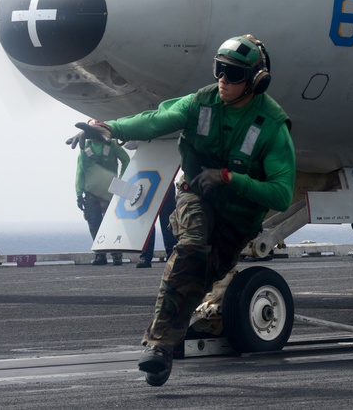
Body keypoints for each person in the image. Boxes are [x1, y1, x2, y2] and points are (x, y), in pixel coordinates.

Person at [66, 34, 295, 387]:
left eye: (233, 74)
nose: (222, 79)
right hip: (195, 196)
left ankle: (166, 341)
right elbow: (155, 121)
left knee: (200, 278)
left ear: (255, 81)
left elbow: (281, 194)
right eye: (219, 70)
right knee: (189, 249)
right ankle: (158, 348)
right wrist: (110, 128)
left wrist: (230, 178)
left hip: (238, 219)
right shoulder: (200, 103)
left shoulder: (272, 127)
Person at [75, 138, 131, 266]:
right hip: (91, 194)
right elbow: (80, 172)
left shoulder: (112, 145)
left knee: (113, 224)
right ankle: (100, 253)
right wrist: (78, 194)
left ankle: (116, 254)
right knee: (94, 224)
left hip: (111, 194)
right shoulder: (84, 149)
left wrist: (121, 180)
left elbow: (126, 160)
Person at [137, 181, 177, 269]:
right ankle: (145, 255)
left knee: (168, 220)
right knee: (147, 220)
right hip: (146, 182)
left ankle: (172, 254)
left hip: (165, 179)